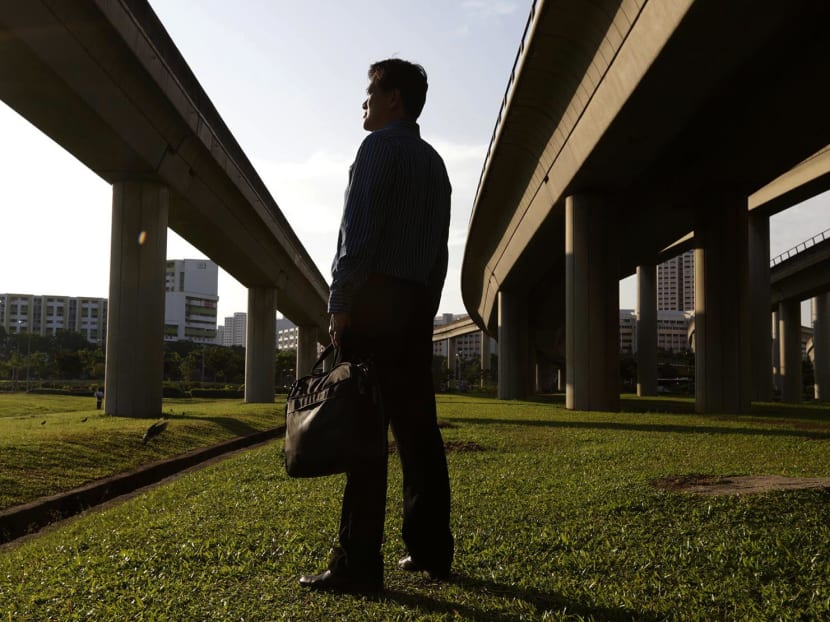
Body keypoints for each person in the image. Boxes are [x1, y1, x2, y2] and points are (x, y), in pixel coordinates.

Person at [299, 58, 454, 593]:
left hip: (371, 303)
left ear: (393, 99)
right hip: (414, 308)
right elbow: (440, 254)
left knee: (363, 435)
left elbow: (357, 236)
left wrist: (340, 304)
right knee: (418, 433)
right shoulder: (435, 163)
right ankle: (432, 551)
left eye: (370, 91)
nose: (363, 101)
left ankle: (358, 564)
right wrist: (424, 311)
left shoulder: (377, 149)